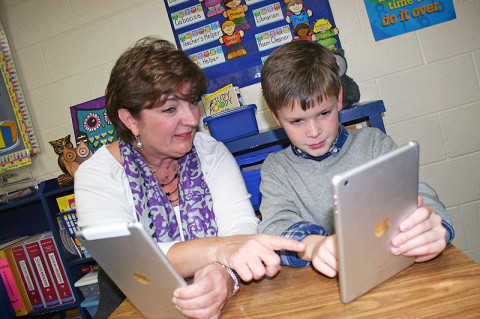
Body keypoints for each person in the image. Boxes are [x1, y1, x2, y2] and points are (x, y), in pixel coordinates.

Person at [74, 37, 305, 319]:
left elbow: (240, 228)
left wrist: (222, 275)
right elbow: (130, 261)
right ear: (130, 119)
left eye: (192, 102)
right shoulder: (97, 175)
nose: (191, 118)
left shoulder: (211, 152)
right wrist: (221, 250)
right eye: (170, 109)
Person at [257, 40, 454, 278]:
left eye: (324, 113)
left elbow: (417, 192)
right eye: (297, 121)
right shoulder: (276, 169)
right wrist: (316, 245)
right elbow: (276, 228)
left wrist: (433, 224)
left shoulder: (372, 143)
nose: (313, 132)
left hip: (390, 275)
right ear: (277, 118)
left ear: (339, 98)